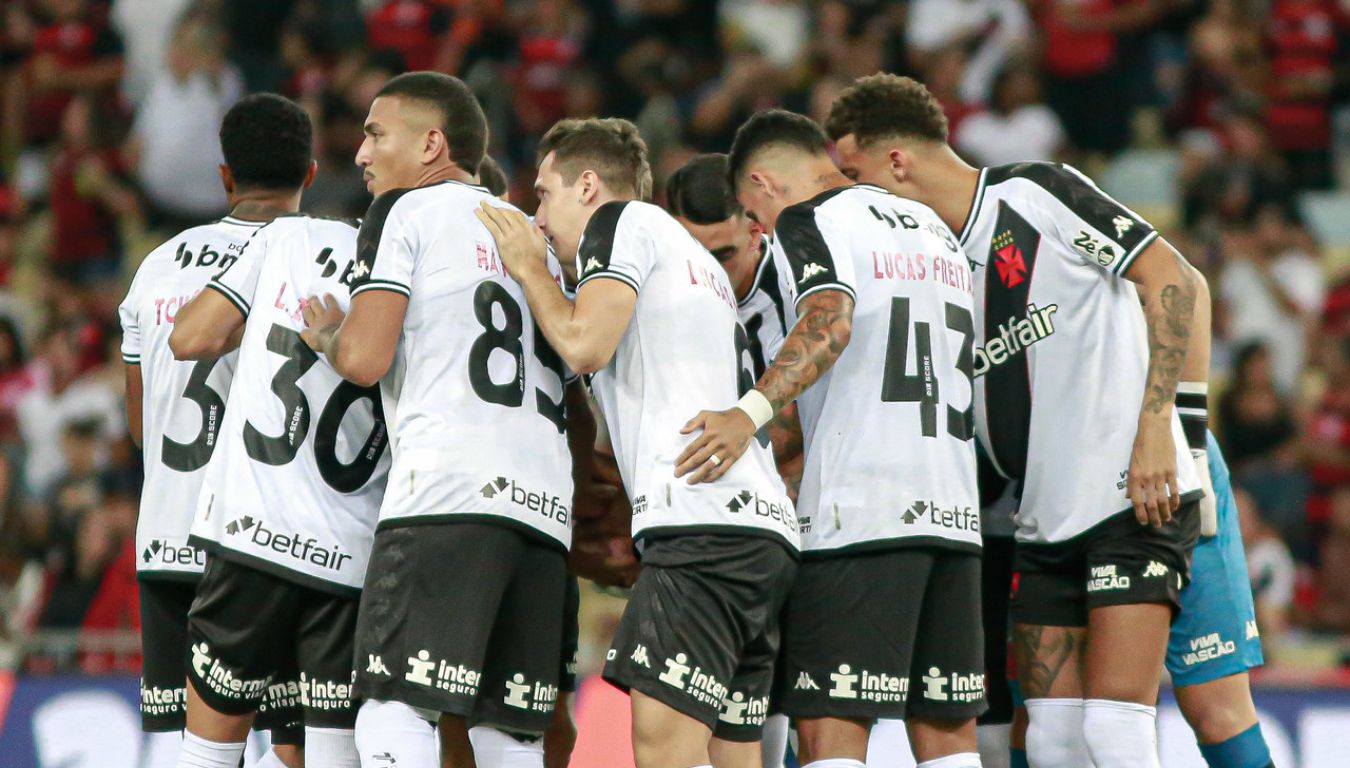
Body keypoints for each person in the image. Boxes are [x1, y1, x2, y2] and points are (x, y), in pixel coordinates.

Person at [820, 73, 1213, 768]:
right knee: (1055, 739)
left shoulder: (1033, 193)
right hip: (1042, 521)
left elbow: (1173, 277)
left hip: (1132, 496)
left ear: (897, 162)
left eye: (853, 175)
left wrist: (1165, 427)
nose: (853, 195)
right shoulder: (937, 265)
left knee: (1115, 728)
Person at [475, 117, 800, 768]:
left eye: (543, 194)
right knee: (733, 757)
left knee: (664, 752)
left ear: (588, 185)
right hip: (760, 537)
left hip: (702, 530)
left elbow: (583, 341)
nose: (537, 218)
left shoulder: (620, 225)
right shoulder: (688, 261)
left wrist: (526, 268)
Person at [676, 108, 985, 768]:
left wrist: (746, 414)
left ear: (762, 184)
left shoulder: (807, 220)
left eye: (752, 216)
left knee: (828, 732)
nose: (760, 231)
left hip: (863, 511)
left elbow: (831, 320)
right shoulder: (932, 225)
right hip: (955, 515)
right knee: (947, 738)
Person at [299, 71, 583, 768]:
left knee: (395, 713)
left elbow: (365, 359)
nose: (361, 154)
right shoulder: (535, 239)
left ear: (431, 143)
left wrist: (330, 340)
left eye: (375, 134)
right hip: (545, 514)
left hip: (446, 500)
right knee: (509, 736)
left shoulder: (405, 214)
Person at [167, 98, 390, 768]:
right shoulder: (402, 278)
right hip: (350, 549)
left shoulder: (285, 239)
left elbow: (192, 337)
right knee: (322, 755)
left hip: (254, 532)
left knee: (209, 748)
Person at [118, 92, 313, 766]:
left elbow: (142, 427)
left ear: (224, 175)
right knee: (295, 743)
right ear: (311, 173)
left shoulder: (156, 265)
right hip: (273, 542)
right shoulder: (320, 259)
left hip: (169, 537)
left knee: (194, 748)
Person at [664, 152, 803, 768]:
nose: (710, 272)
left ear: (755, 228)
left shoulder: (801, 287)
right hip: (713, 520)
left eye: (722, 255)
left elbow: (801, 428)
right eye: (694, 253)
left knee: (785, 707)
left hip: (803, 517)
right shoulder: (668, 289)